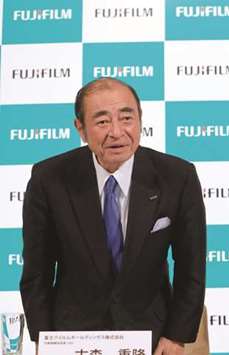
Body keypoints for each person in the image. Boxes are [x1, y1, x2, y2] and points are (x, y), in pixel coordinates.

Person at [20, 77, 206, 355]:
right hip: (72, 339)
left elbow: (191, 268)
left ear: (140, 120)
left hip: (153, 338)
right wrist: (44, 341)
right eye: (102, 121)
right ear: (80, 129)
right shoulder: (49, 179)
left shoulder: (178, 177)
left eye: (126, 118)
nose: (117, 132)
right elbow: (37, 273)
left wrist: (175, 336)